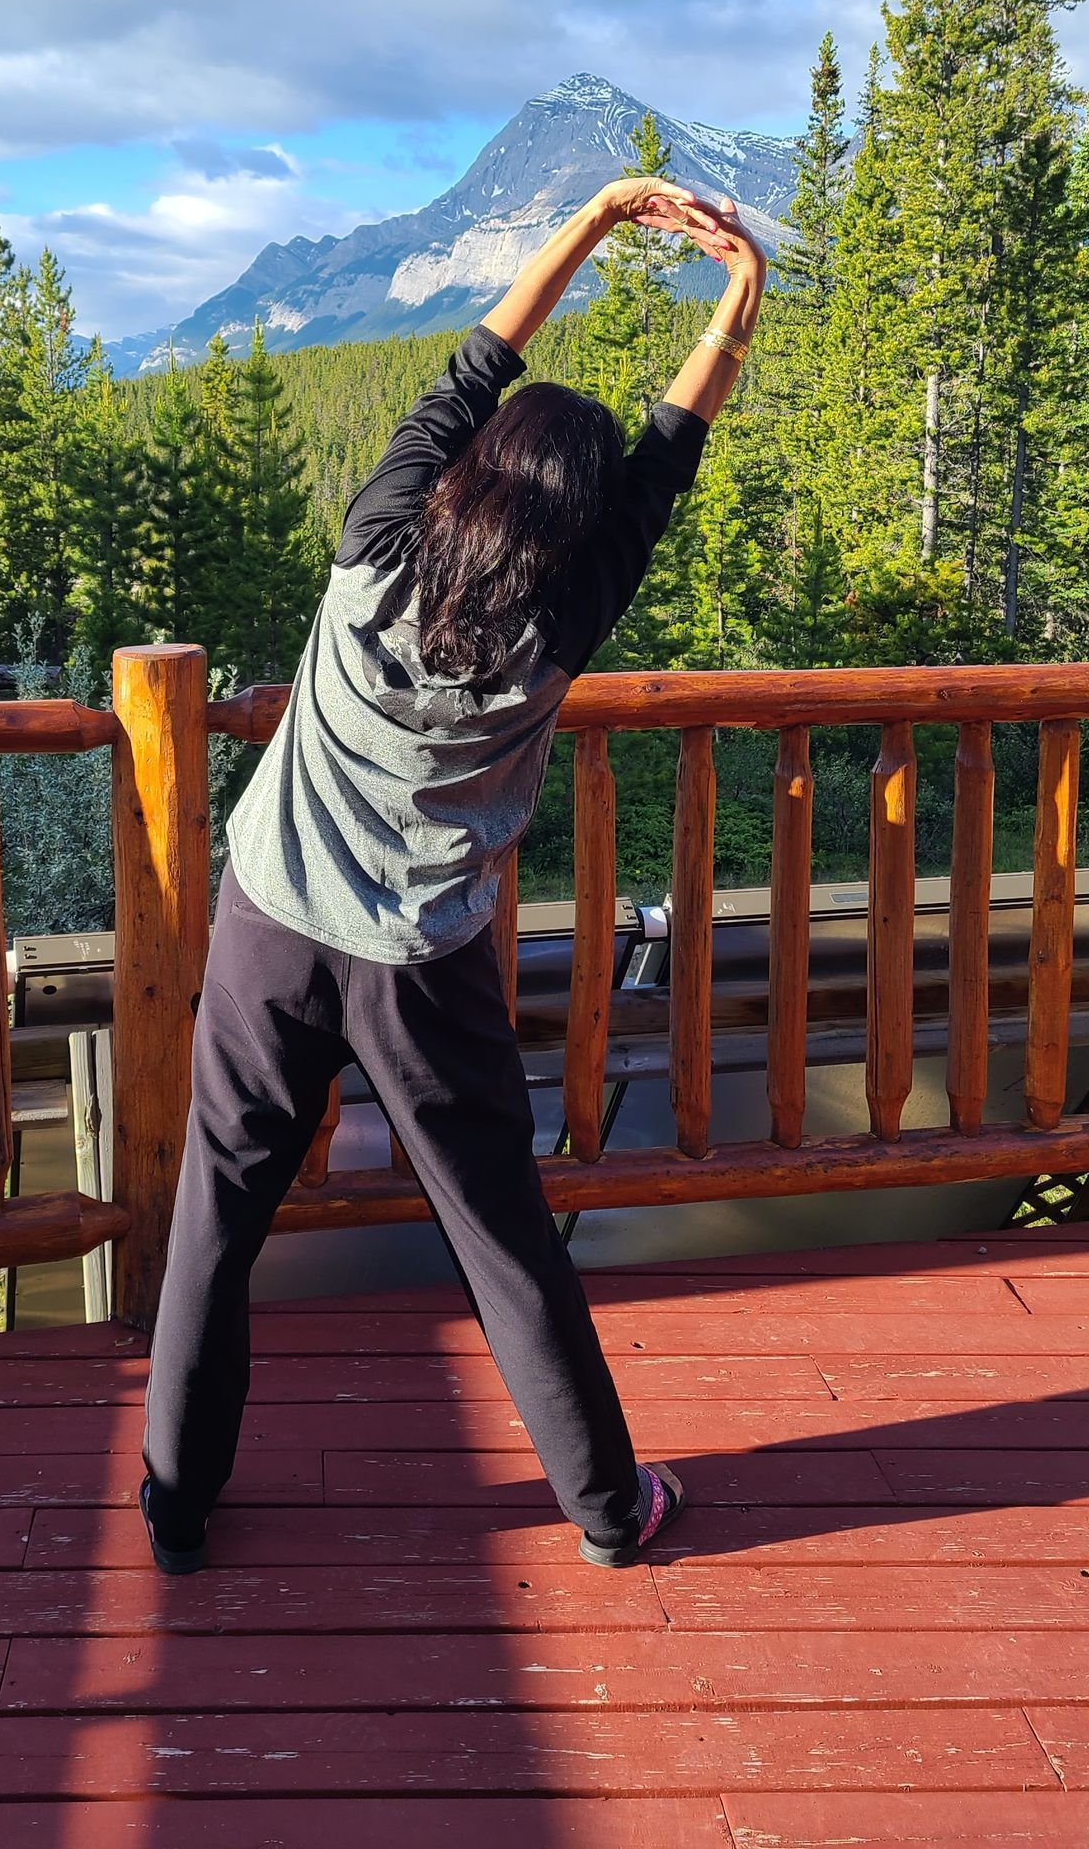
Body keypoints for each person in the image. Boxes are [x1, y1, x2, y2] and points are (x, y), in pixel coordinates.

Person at [139, 171, 769, 1574]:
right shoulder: (565, 620)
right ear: (575, 525)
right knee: (503, 1241)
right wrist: (740, 296)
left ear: (475, 472)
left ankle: (176, 1506)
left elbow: (475, 361)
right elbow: (672, 448)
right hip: (421, 967)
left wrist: (600, 217)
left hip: (267, 928)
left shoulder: (375, 543)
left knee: (215, 1222)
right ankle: (613, 1511)